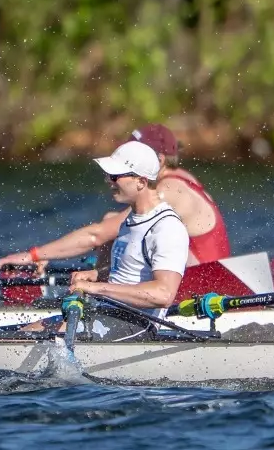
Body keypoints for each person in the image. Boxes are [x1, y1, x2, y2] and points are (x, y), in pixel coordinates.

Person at [0, 123, 229, 272]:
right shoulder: (184, 178)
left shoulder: (170, 190)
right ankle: (103, 284)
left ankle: (101, 295)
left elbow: (97, 235)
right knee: (114, 220)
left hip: (202, 289)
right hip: (196, 275)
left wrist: (34, 255)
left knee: (114, 228)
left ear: (158, 160)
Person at [56, 140, 192, 339]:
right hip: (109, 312)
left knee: (42, 337)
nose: (108, 180)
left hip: (136, 323)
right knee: (27, 332)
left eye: (115, 176)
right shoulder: (131, 219)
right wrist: (96, 274)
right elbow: (130, 272)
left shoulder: (166, 228)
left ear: (141, 182)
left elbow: (163, 294)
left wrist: (95, 288)